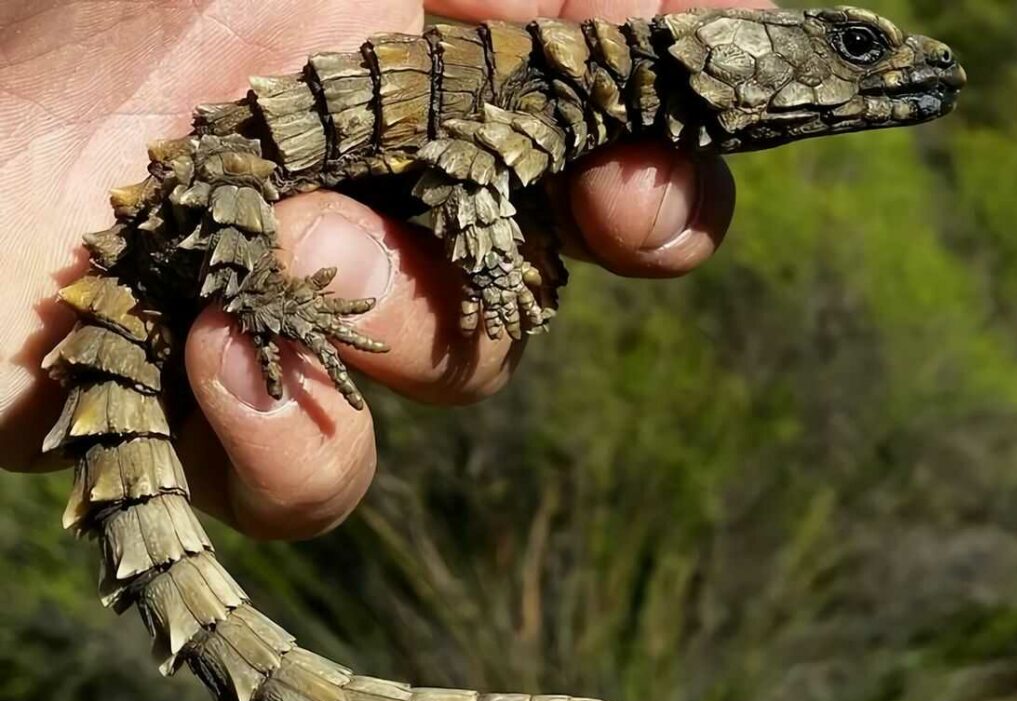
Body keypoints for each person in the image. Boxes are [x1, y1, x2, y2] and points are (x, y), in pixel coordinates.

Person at [0, 0, 770, 538]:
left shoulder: (568, 95)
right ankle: (257, 295)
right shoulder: (564, 95)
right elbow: (469, 171)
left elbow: (476, 169)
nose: (888, 71)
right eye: (854, 48)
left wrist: (518, 245)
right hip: (184, 222)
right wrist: (499, 275)